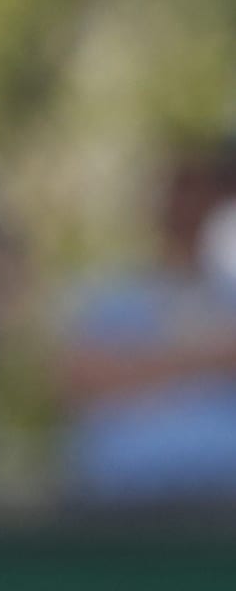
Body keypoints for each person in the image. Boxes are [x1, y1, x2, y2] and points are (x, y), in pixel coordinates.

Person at [56, 149, 236, 510]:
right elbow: (77, 377)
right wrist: (207, 357)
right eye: (174, 194)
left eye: (196, 194)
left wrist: (138, 362)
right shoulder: (107, 297)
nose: (183, 207)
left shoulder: (229, 295)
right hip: (120, 500)